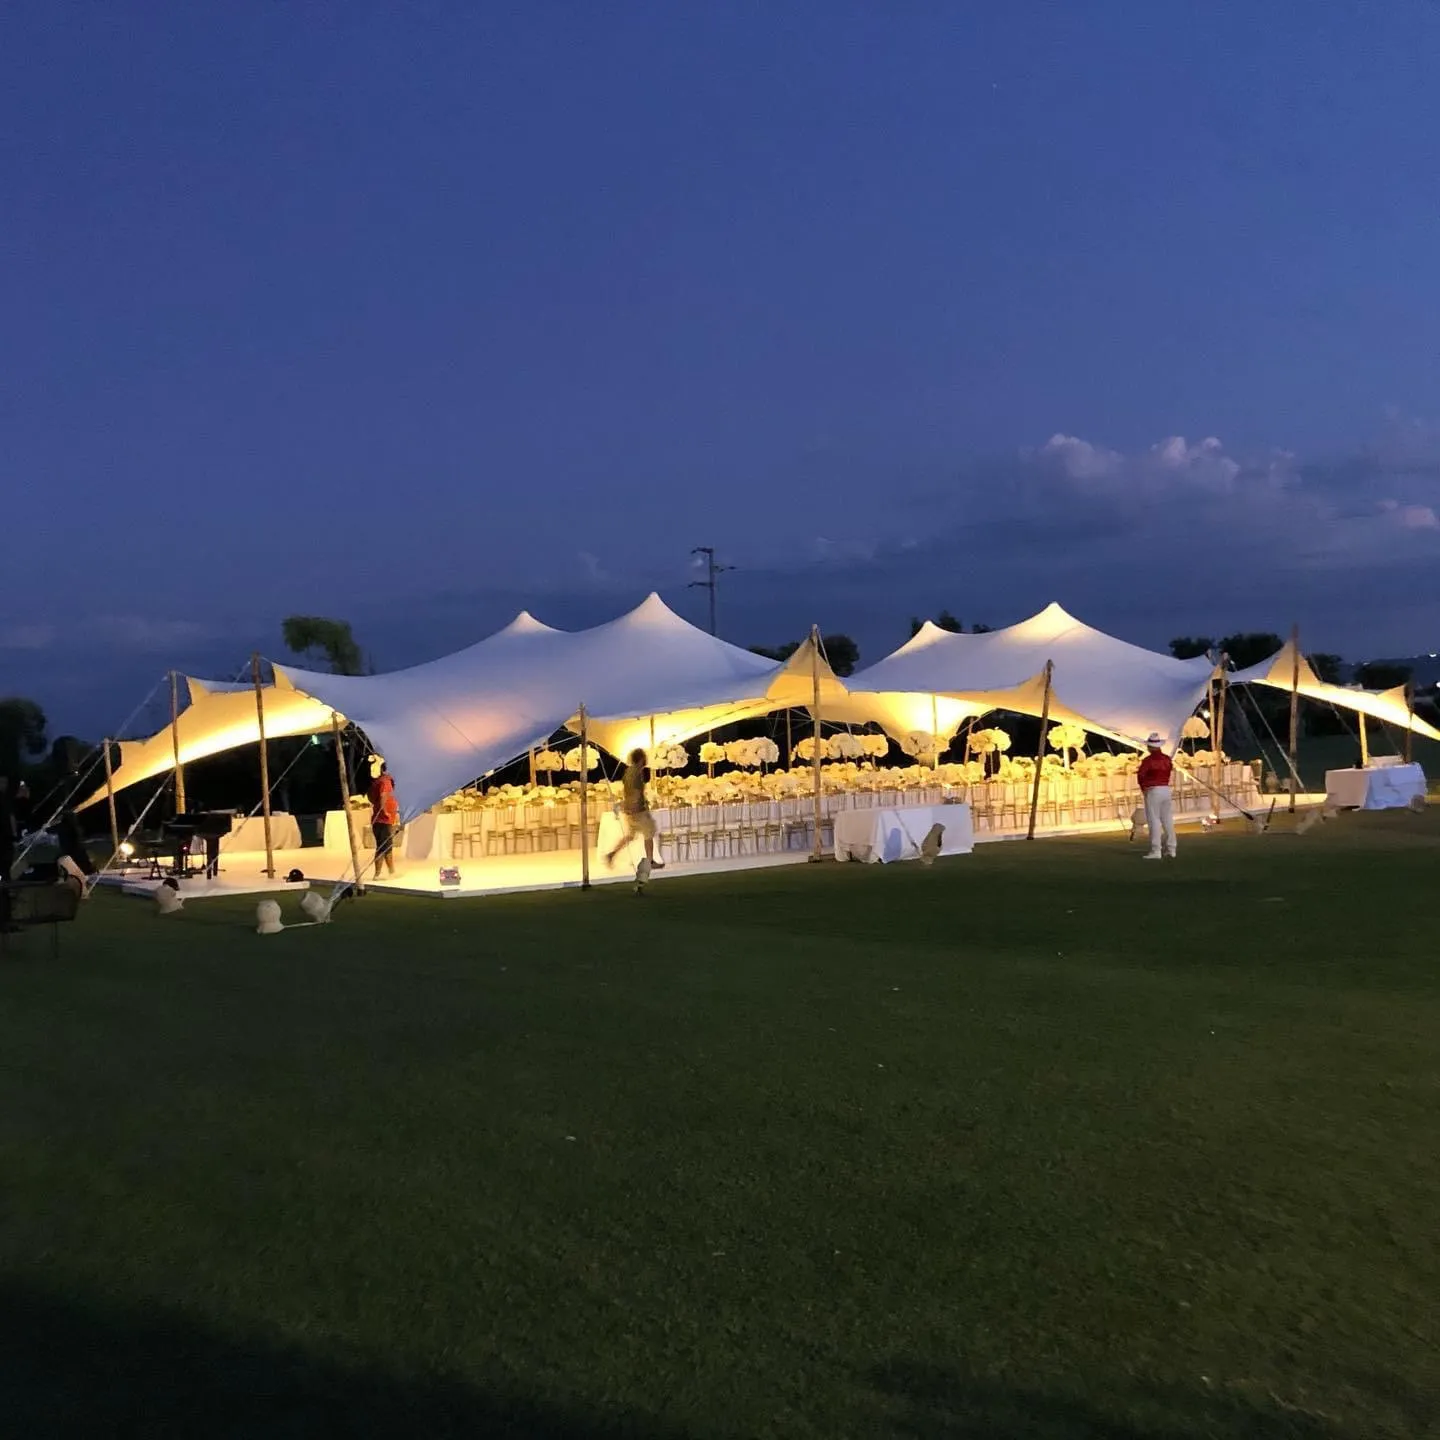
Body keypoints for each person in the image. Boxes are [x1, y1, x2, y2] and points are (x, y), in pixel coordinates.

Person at [605, 748, 664, 871]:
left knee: (630, 836)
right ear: (641, 759)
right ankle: (649, 861)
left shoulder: (628, 772)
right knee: (649, 833)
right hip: (637, 810)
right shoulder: (636, 773)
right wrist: (636, 807)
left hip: (630, 809)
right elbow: (635, 792)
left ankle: (612, 854)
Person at [1137, 732, 1176, 860]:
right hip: (1165, 789)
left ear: (1150, 747)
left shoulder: (1148, 761)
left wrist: (1144, 789)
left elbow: (1141, 776)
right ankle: (1171, 848)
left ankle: (1156, 850)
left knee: (1154, 820)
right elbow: (1170, 770)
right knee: (1167, 819)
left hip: (1153, 790)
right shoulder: (1167, 759)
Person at [368, 761, 400, 877]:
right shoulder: (385, 781)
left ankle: (391, 871)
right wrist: (384, 812)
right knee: (383, 847)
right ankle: (378, 874)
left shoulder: (378, 782)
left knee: (386, 846)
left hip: (382, 820)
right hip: (383, 820)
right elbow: (383, 796)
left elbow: (370, 797)